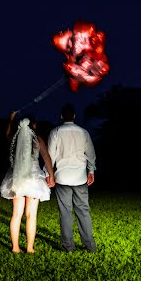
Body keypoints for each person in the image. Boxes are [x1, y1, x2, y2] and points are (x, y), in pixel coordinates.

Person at [0, 112, 55, 253]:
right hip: (34, 179)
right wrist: (51, 175)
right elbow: (46, 158)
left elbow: (7, 136)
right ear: (34, 125)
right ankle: (30, 248)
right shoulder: (38, 139)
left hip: (18, 178)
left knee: (16, 214)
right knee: (31, 215)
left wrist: (10, 121)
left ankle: (15, 247)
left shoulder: (15, 138)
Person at [47, 104, 97, 252]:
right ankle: (90, 245)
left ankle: (68, 247)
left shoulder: (56, 132)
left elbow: (50, 156)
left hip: (62, 177)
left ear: (61, 117)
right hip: (80, 177)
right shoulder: (84, 132)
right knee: (83, 210)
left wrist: (48, 175)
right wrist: (91, 171)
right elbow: (90, 154)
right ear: (74, 116)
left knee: (65, 212)